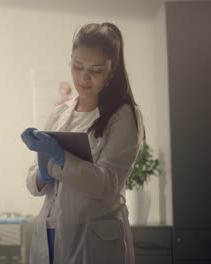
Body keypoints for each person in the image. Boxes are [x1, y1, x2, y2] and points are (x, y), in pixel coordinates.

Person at [21, 23, 144, 264]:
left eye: (95, 70)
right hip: (50, 232)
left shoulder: (123, 115)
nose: (83, 77)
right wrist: (42, 175)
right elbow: (33, 185)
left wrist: (60, 159)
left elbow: (107, 184)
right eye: (77, 66)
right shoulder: (60, 113)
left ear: (112, 69)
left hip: (93, 240)